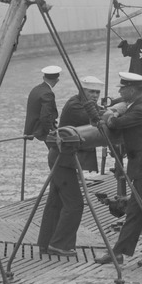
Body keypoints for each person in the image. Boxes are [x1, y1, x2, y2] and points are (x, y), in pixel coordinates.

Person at [96, 71, 142, 267]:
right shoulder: (138, 105)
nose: (120, 91)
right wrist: (118, 109)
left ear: (132, 90)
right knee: (135, 213)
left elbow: (115, 123)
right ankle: (118, 253)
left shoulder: (141, 109)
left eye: (123, 88)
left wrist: (110, 113)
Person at [38, 76, 104, 257]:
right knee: (75, 204)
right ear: (82, 91)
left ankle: (45, 243)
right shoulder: (75, 106)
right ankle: (60, 245)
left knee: (55, 202)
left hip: (63, 158)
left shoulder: (82, 104)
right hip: (62, 160)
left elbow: (98, 112)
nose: (95, 95)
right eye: (91, 92)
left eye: (97, 92)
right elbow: (96, 120)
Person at [24, 66, 61, 167]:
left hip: (33, 128)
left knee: (56, 154)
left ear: (44, 78)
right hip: (43, 129)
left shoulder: (36, 89)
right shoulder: (48, 93)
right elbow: (45, 116)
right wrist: (52, 131)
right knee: (61, 154)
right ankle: (62, 178)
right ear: (57, 80)